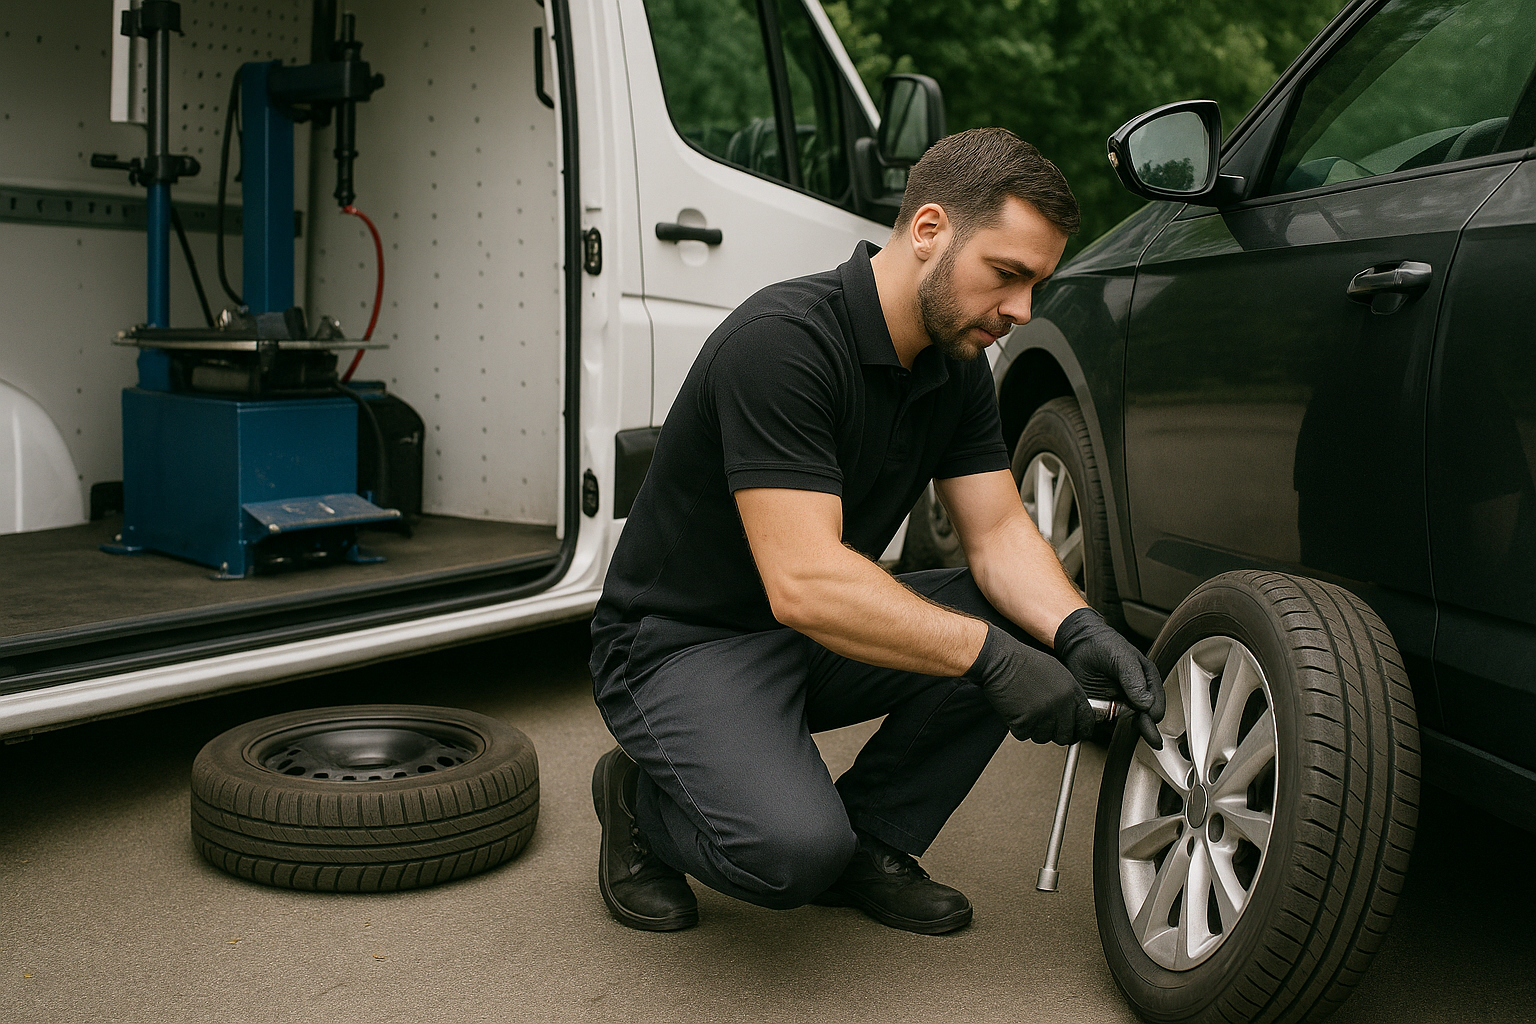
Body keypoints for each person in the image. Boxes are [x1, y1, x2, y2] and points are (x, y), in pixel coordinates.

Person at [588, 128, 1165, 935]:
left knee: (1017, 617)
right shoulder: (784, 345)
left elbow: (998, 535)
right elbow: (806, 582)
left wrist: (1076, 630)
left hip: (808, 633)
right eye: (1007, 275)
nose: (1021, 311)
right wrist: (993, 660)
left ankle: (873, 840)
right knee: (788, 854)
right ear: (929, 230)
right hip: (681, 643)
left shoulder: (956, 365)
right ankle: (642, 800)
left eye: (1035, 285)